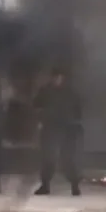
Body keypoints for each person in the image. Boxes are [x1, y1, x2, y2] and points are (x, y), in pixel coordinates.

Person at [33, 68, 84, 196]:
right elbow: (36, 106)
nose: (57, 80)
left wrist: (75, 123)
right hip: (50, 128)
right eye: (55, 77)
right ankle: (45, 185)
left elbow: (78, 110)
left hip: (67, 129)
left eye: (59, 77)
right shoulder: (45, 91)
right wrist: (41, 118)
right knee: (48, 158)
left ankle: (74, 185)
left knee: (68, 158)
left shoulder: (70, 92)